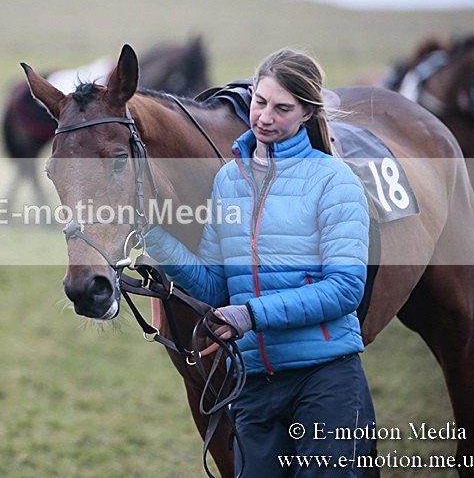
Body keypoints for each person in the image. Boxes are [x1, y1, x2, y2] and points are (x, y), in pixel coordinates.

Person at [145, 48, 375, 476]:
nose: (265, 117)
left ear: (307, 112)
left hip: (325, 382)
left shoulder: (334, 181)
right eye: (260, 102)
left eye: (282, 108)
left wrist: (250, 314)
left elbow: (345, 289)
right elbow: (216, 287)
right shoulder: (228, 179)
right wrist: (155, 238)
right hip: (253, 385)